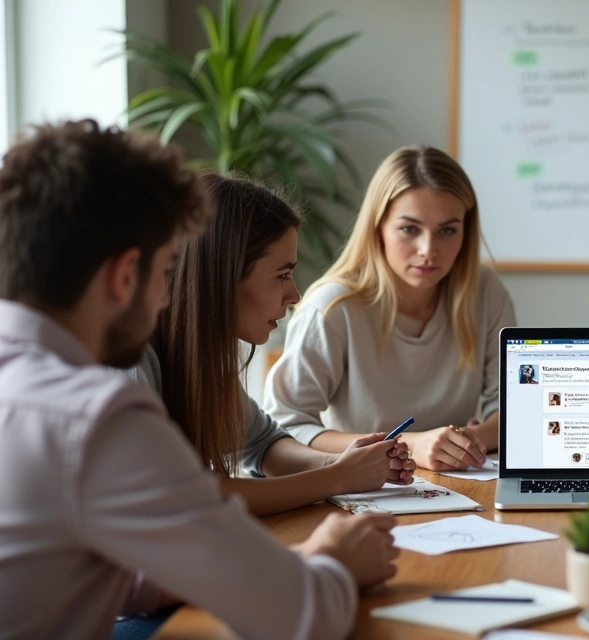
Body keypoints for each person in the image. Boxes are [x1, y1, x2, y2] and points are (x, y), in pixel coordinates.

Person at [0, 120, 397, 638]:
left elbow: (120, 575)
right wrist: (333, 558)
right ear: (124, 277)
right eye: (166, 272)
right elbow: (304, 614)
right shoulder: (99, 417)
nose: (169, 296)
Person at [133, 173, 415, 517]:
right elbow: (183, 495)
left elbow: (263, 445)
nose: (294, 295)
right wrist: (338, 477)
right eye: (282, 275)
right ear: (223, 276)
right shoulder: (130, 363)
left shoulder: (199, 359)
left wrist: (343, 462)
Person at [264, 145, 517, 471]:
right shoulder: (331, 308)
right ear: (377, 227)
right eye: (409, 229)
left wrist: (466, 439)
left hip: (460, 487)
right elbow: (284, 426)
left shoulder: (485, 292)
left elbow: (515, 407)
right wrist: (412, 444)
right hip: (364, 494)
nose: (428, 250)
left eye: (447, 230)